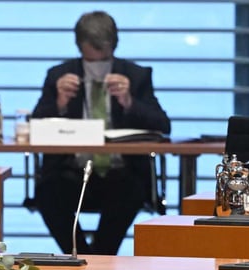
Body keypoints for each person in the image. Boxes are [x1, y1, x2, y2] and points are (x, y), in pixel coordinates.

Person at [32, 11, 171, 255]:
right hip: (72, 172)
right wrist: (60, 103)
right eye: (91, 62)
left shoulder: (137, 75)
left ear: (114, 46)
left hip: (120, 173)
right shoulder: (58, 75)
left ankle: (98, 257)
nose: (97, 68)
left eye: (103, 61)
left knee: (131, 191)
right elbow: (35, 125)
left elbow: (163, 124)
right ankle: (86, 256)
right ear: (80, 47)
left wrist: (129, 101)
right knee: (47, 193)